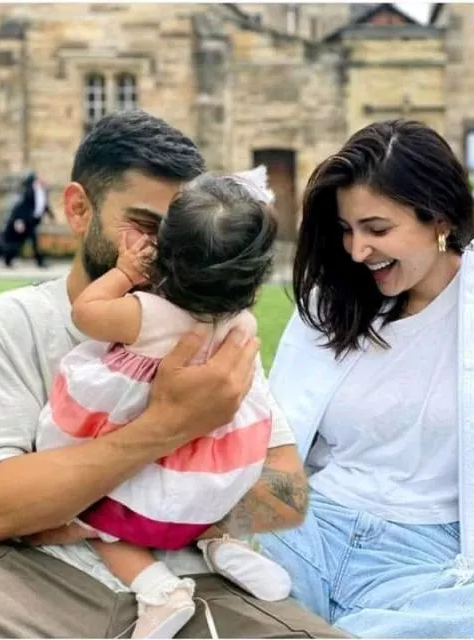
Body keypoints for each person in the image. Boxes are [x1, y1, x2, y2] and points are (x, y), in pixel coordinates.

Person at [0, 110, 346, 639]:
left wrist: (166, 520)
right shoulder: (14, 322)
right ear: (78, 208)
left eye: (181, 233)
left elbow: (286, 497)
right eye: (145, 226)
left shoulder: (214, 328)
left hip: (194, 585)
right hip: (27, 580)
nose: (171, 255)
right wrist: (169, 426)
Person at [258, 119, 474, 638]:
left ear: (438, 218)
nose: (356, 250)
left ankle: (309, 629)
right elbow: (278, 435)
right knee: (207, 552)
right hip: (310, 531)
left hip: (429, 564)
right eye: (347, 229)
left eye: (377, 229)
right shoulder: (330, 303)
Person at [35, 171, 292, 638]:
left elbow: (85, 312)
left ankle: (158, 590)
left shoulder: (147, 316)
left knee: (95, 514)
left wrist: (125, 273)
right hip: (211, 483)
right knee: (193, 507)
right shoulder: (241, 325)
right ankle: (221, 542)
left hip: (148, 483)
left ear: (165, 253)